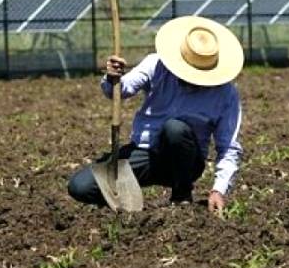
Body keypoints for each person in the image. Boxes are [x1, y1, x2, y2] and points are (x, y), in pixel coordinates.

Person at [68, 16, 244, 213]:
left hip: (186, 162)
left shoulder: (225, 94)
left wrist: (218, 190)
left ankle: (181, 196)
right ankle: (127, 206)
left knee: (175, 128)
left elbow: (228, 147)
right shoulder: (156, 65)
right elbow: (120, 90)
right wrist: (113, 78)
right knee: (80, 186)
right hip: (146, 152)